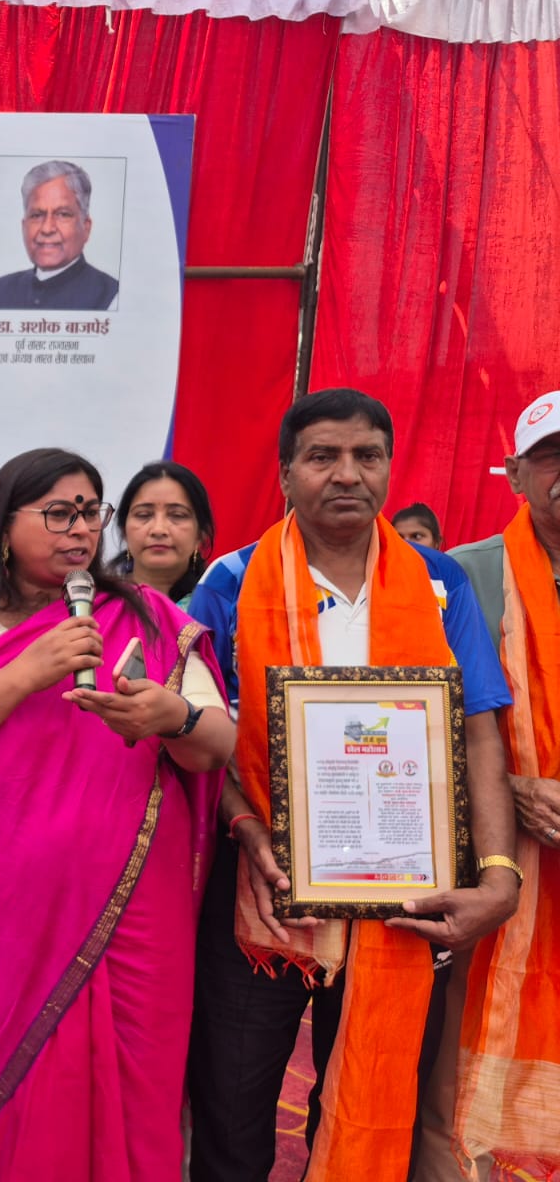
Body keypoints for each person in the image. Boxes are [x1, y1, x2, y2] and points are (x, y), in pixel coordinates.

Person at [184, 388, 519, 1182]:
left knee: (376, 1111)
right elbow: (202, 741)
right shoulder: (230, 585)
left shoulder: (439, 585)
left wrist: (499, 877)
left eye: (367, 456)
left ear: (389, 469)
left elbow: (478, 731)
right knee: (232, 1119)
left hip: (405, 895)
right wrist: (245, 825)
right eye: (322, 456)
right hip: (262, 893)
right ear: (285, 472)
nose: (347, 474)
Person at [0, 448, 233, 1178]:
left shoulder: (148, 614)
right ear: (4, 525)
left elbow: (216, 743)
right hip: (6, 918)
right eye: (58, 513)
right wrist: (25, 673)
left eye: (90, 512)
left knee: (139, 1092)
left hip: (137, 914)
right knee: (21, 1096)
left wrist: (169, 716)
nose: (80, 530)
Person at [419, 392, 560, 1182]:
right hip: (489, 863)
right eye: (552, 457)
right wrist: (509, 786)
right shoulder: (460, 576)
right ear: (515, 474)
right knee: (454, 1074)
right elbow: (414, 718)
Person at [0, 161, 119, 311]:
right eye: (36, 215)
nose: (47, 228)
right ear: (24, 226)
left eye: (63, 214)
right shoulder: (0, 292)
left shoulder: (111, 297)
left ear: (86, 227)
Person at [114, 460, 216, 608]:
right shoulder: (99, 608)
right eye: (143, 515)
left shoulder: (221, 612)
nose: (158, 530)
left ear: (201, 534)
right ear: (124, 531)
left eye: (177, 515)